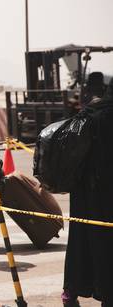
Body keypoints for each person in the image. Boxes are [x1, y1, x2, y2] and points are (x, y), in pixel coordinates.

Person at [62, 79, 113, 307]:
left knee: (79, 240)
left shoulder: (87, 113)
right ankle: (107, 294)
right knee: (105, 242)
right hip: (105, 191)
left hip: (81, 190)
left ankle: (70, 292)